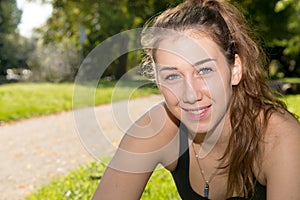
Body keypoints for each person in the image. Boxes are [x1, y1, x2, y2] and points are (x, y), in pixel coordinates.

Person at [92, 0, 300, 199]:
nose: (191, 95)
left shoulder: (279, 138)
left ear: (235, 69)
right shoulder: (158, 128)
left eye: (205, 70)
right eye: (172, 76)